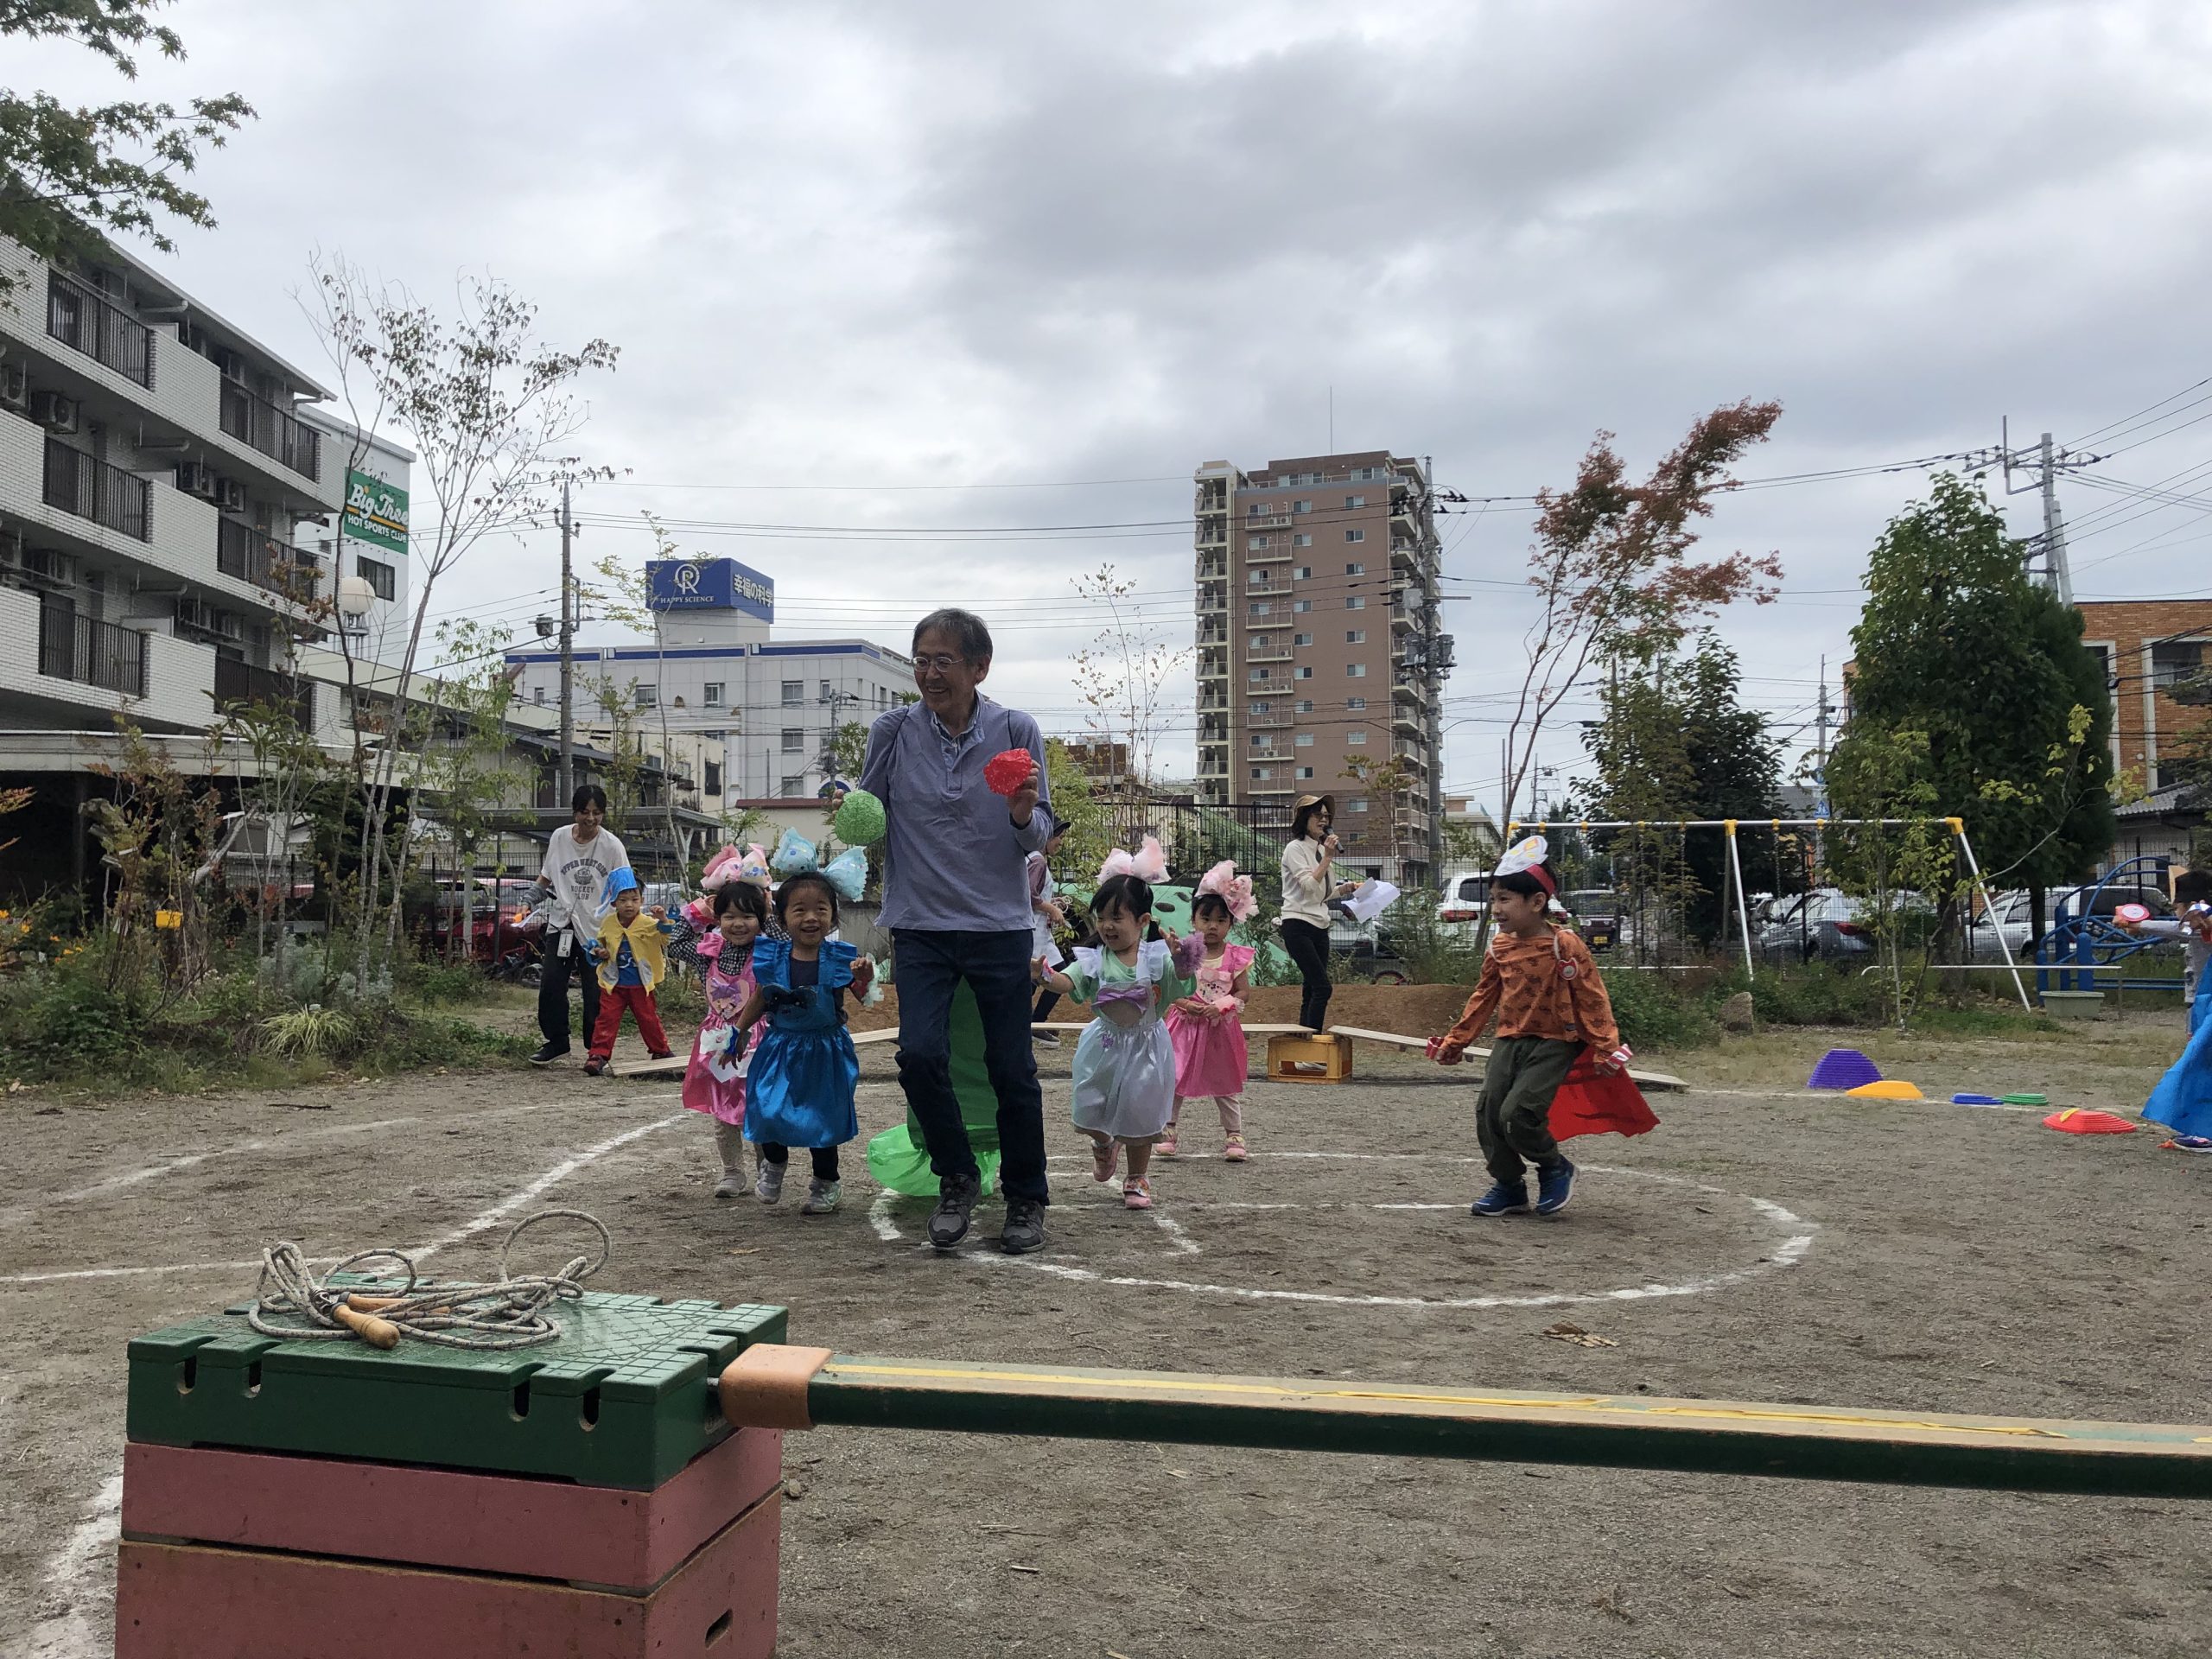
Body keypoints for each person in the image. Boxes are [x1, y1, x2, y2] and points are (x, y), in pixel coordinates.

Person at [857, 607, 1054, 1254]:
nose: (930, 673)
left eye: (944, 661)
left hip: (999, 927)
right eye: (921, 660)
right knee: (919, 1056)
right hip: (919, 925)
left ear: (979, 668)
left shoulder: (1015, 729)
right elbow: (868, 814)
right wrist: (850, 814)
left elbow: (1039, 834)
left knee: (1011, 1066)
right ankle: (957, 1177)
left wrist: (1022, 813)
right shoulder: (892, 731)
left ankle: (1026, 1196)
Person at [1429, 836, 1637, 1218]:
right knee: (1489, 1111)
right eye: (1493, 899)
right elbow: (1483, 997)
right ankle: (1509, 1186)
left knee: (1518, 1113)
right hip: (1510, 1039)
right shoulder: (1499, 948)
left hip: (1557, 1041)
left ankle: (1554, 1167)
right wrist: (1456, 1041)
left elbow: (1592, 996)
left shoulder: (1565, 944)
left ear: (1537, 902)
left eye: (1505, 899)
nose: (1496, 908)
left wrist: (1607, 1046)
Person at [1033, 853, 1203, 1211]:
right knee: (1090, 1104)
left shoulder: (1157, 959)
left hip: (1147, 1047)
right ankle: (1104, 1143)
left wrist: (1183, 962)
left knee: (1141, 1114)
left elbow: (1183, 983)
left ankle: (1137, 1177)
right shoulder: (1094, 958)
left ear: (1142, 921)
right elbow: (1068, 982)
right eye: (1101, 917)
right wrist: (1044, 976)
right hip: (1104, 1045)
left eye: (1116, 917)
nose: (1107, 926)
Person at [737, 870, 875, 1215]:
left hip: (825, 1051)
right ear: (782, 917)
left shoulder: (842, 958)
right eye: (800, 910)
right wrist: (739, 1031)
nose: (811, 917)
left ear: (834, 916)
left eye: (821, 909)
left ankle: (826, 1181)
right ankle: (774, 1163)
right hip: (780, 1047)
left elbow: (863, 998)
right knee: (767, 1108)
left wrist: (864, 979)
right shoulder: (772, 957)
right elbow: (761, 997)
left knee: (822, 1119)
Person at [1164, 861, 1257, 1161]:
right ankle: (1168, 1129)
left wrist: (1224, 1005)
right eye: (1206, 918)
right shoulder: (1185, 951)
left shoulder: (1235, 956)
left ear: (1231, 923)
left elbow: (1243, 992)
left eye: (1220, 920)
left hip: (1220, 1028)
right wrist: (1185, 1004)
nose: (1213, 926)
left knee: (1224, 1082)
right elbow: (1171, 987)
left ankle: (1234, 1134)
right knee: (1174, 1077)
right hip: (1184, 1027)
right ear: (1193, 920)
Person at [531, 785, 630, 1066]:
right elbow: (546, 877)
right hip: (562, 923)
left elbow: (625, 889)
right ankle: (557, 1042)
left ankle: (596, 1049)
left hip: (598, 930)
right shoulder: (560, 838)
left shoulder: (612, 846)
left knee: (595, 991)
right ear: (575, 812)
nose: (590, 818)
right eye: (585, 812)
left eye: (597, 813)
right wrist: (531, 898)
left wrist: (624, 930)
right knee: (551, 983)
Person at [683, 881, 768, 1198]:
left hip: (757, 1039)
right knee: (722, 1110)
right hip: (717, 1041)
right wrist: (699, 910)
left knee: (757, 1107)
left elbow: (786, 941)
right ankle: (732, 1171)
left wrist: (769, 910)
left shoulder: (766, 953)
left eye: (747, 916)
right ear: (718, 919)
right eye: (729, 916)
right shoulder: (710, 953)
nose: (738, 924)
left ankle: (767, 1169)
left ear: (761, 919)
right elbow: (676, 942)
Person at [2133, 868, 2212, 1152]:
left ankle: (2206, 1130)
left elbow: (2179, 929)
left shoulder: (2201, 922)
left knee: (2200, 1065)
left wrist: (2139, 925)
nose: (2176, 912)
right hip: (2200, 1005)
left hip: (2207, 1004)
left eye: (2177, 905)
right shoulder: (2199, 923)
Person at [582, 868, 676, 1077]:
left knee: (648, 1018)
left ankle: (661, 1051)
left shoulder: (648, 923)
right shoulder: (609, 923)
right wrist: (599, 951)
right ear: (613, 902)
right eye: (623, 900)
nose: (629, 905)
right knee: (606, 1019)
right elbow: (599, 944)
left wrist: (663, 920)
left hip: (641, 984)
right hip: (613, 984)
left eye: (634, 900)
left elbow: (665, 939)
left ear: (642, 901)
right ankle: (598, 1055)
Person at [1279, 793, 1357, 1033]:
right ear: (1304, 818)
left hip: (1320, 926)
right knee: (1323, 988)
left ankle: (1304, 1041)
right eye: (1317, 815)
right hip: (1298, 924)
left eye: (1326, 815)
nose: (1324, 820)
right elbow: (1309, 887)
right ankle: (1313, 1042)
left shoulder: (1320, 850)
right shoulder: (1295, 848)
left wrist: (1346, 890)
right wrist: (1328, 858)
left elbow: (1320, 894)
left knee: (1311, 988)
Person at [1027, 823, 1071, 1046]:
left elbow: (1037, 896)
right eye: (1058, 837)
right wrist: (1052, 909)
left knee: (1058, 974)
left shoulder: (1034, 860)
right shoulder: (1038, 861)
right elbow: (1029, 895)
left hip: (1041, 935)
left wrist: (1053, 902)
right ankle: (1031, 1024)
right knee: (1031, 980)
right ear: (1046, 837)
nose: (1060, 842)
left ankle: (1035, 1023)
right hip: (1034, 934)